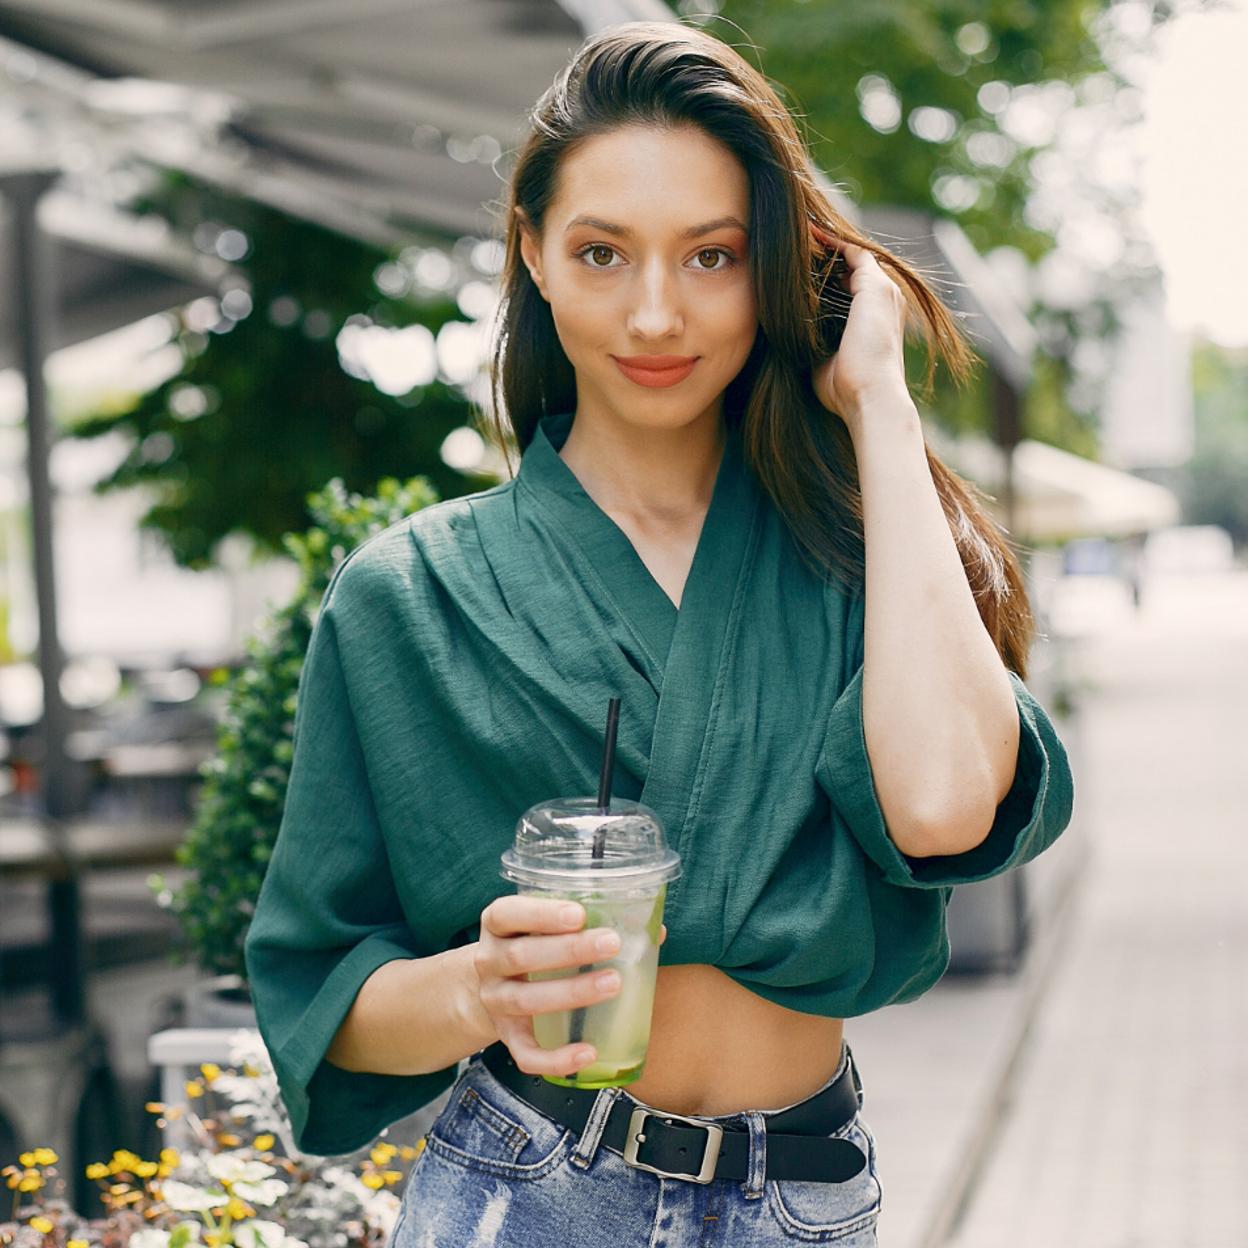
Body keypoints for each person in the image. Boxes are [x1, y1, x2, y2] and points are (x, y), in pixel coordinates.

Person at [244, 19, 1074, 1247]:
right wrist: (483, 984)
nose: (652, 314)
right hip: (531, 1187)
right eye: (600, 252)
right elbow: (322, 995)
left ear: (777, 269)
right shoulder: (407, 596)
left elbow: (948, 810)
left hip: (808, 1192)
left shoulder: (857, 559)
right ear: (530, 253)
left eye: (711, 257)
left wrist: (881, 408)